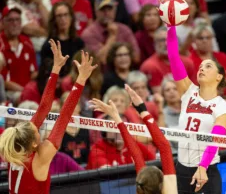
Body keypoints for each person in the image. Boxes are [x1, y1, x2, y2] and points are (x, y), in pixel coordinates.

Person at [0, 40, 97, 194]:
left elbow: (44, 108)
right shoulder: (40, 158)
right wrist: (81, 80)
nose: (37, 127)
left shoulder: (15, 151)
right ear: (32, 143)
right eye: (36, 131)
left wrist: (56, 68)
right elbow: (64, 117)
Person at [163, 0, 226, 193]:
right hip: (182, 169)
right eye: (201, 66)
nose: (202, 68)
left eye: (208, 66)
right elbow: (173, 56)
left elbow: (215, 138)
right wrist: (171, 27)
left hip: (207, 171)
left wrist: (202, 167)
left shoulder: (223, 106)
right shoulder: (188, 92)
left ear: (219, 77)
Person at [89, 83, 178, 194]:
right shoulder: (171, 191)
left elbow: (136, 154)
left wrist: (117, 117)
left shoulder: (143, 184)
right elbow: (163, 146)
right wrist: (142, 108)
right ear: (162, 184)